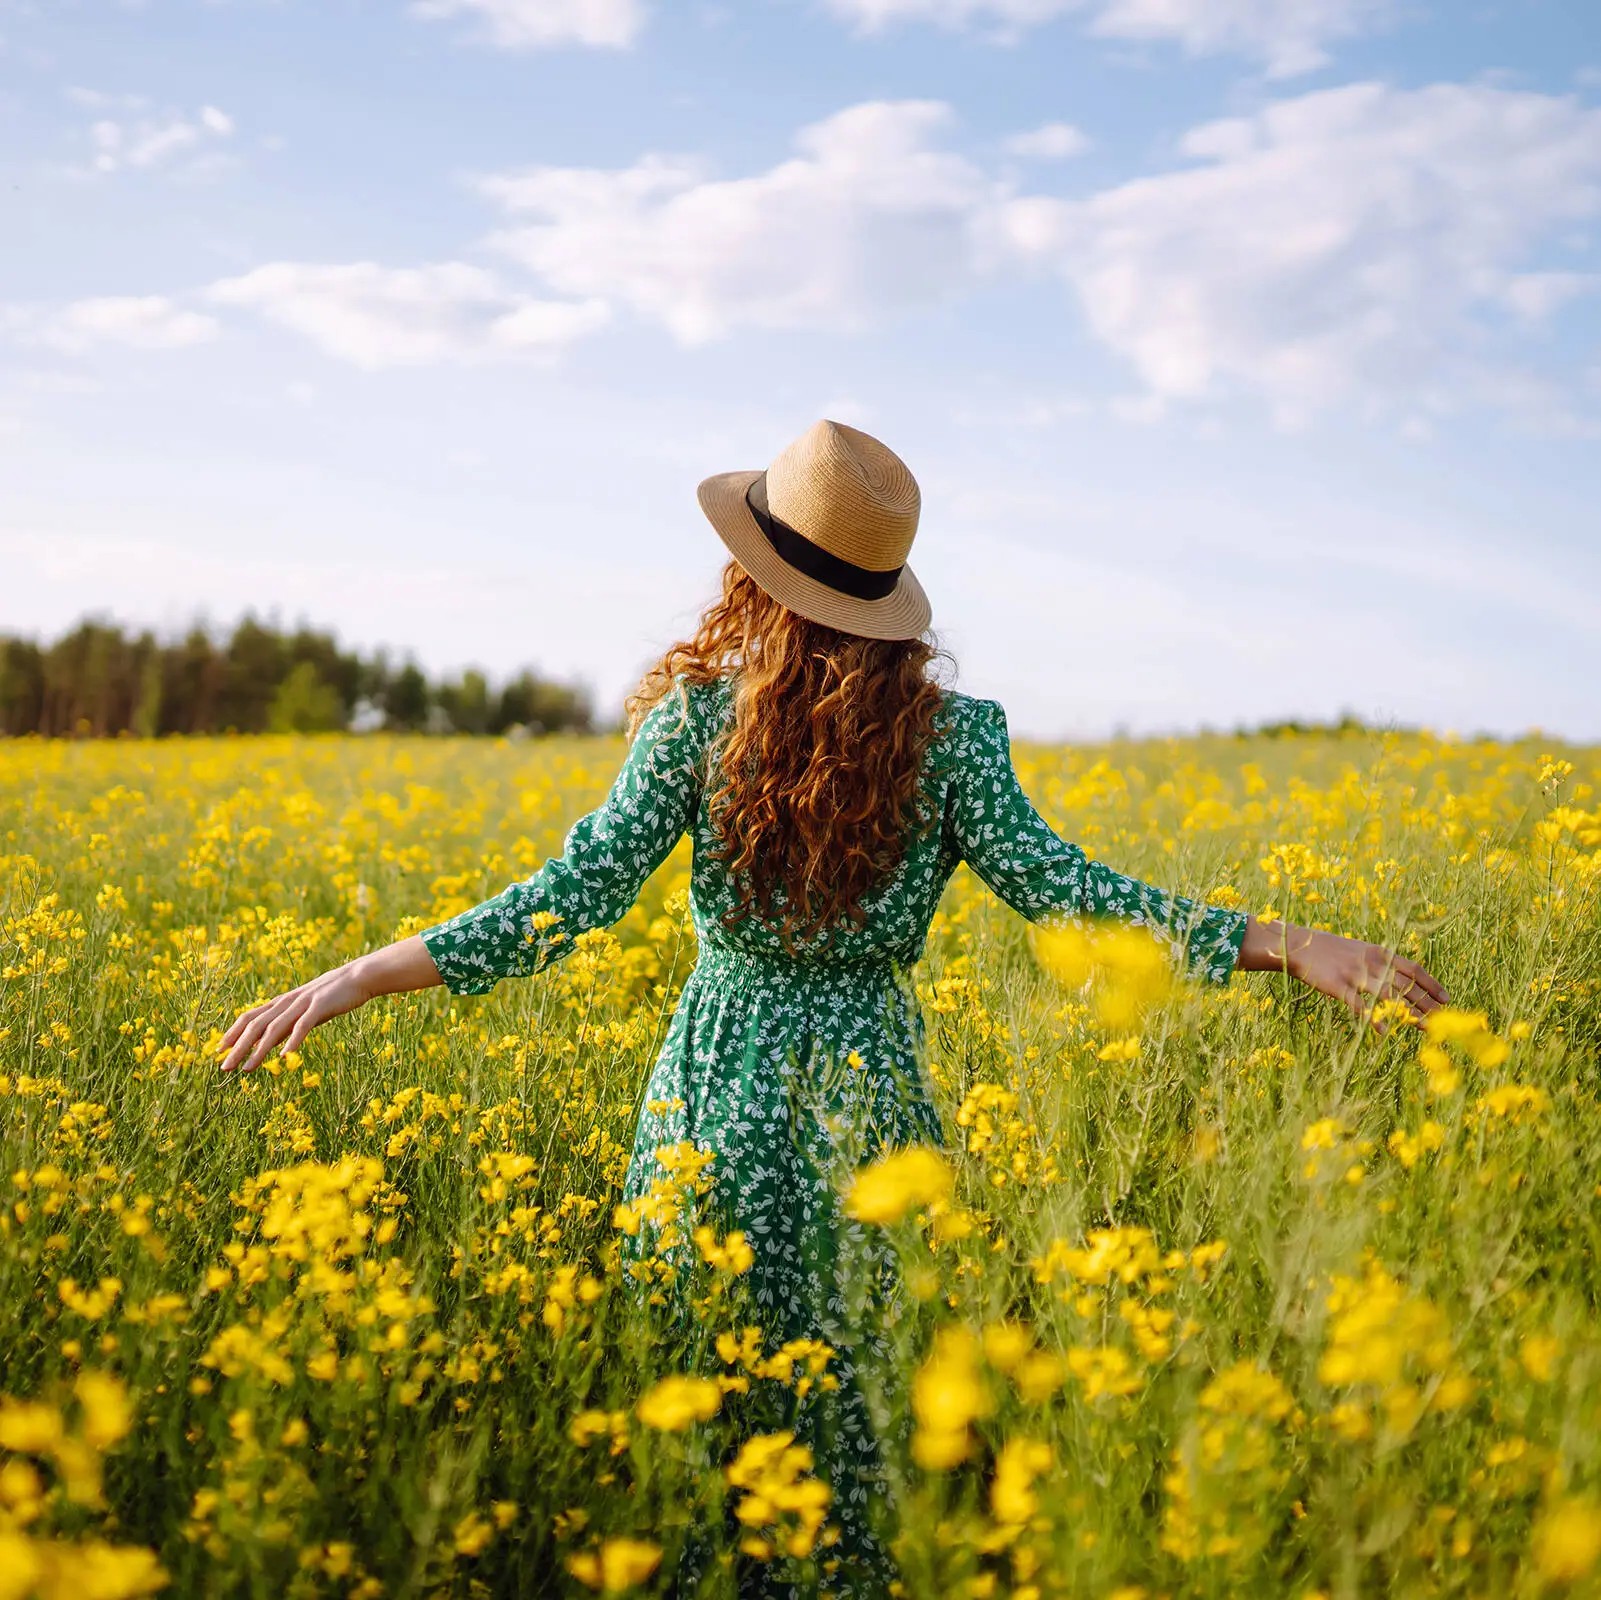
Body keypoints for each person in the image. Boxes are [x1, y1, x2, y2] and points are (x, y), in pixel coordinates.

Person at [219, 419, 1449, 1595]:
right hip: (866, 1122)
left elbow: (568, 897)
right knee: (851, 1431)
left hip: (710, 1101)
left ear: (752, 573)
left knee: (705, 1430)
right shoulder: (954, 738)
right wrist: (1282, 943)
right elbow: (1071, 894)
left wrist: (358, 974)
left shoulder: (694, 726)